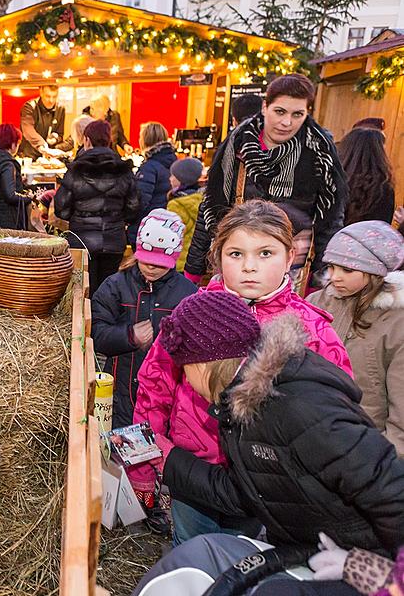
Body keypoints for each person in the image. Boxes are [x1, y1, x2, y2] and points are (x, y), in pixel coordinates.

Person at [131, 290, 404, 596]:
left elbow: (388, 485)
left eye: (186, 370)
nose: (189, 382)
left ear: (204, 365)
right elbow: (246, 492)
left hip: (364, 561)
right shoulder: (240, 405)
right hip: (310, 548)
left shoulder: (301, 408)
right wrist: (171, 461)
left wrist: (383, 571)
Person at [130, 200, 353, 545]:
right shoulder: (194, 315)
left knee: (247, 562)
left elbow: (333, 416)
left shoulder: (312, 330)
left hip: (266, 486)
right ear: (218, 256)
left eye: (265, 253)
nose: (249, 267)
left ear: (290, 255)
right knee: (191, 552)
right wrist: (144, 464)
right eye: (236, 254)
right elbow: (154, 385)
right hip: (193, 472)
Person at [185, 74, 348, 289]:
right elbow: (212, 206)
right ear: (265, 107)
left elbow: (330, 220)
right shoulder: (238, 144)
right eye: (279, 111)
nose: (286, 122)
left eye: (297, 114)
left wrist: (318, 282)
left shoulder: (319, 152)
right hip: (237, 260)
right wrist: (192, 272)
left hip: (289, 269)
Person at [91, 208, 197, 431]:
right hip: (120, 391)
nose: (150, 267)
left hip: (165, 396)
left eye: (159, 263)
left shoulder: (187, 294)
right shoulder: (116, 286)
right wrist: (129, 336)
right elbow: (96, 333)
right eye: (146, 260)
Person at [307, 221, 404, 456]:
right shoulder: (315, 304)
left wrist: (388, 458)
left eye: (347, 270)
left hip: (368, 442)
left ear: (375, 271)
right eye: (332, 267)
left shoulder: (396, 322)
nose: (335, 277)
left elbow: (401, 405)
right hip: (312, 433)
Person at [54, 120, 140, 292]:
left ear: (86, 141)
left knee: (83, 291)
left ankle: (87, 319)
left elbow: (61, 209)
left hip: (81, 241)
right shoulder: (123, 170)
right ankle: (104, 319)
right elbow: (134, 208)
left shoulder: (76, 170)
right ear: (108, 141)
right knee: (108, 291)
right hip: (114, 240)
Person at [130, 122, 177, 244]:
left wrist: (129, 219)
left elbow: (140, 201)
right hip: (167, 225)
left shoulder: (149, 167)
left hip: (147, 228)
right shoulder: (174, 162)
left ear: (145, 140)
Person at [338, 128, 395, 225]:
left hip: (330, 238)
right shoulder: (382, 188)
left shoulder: (330, 179)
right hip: (364, 238)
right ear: (378, 153)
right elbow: (381, 226)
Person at [166, 158, 204, 273]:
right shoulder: (203, 199)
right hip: (195, 262)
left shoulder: (176, 204)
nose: (170, 179)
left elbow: (170, 235)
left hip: (178, 261)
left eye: (173, 176)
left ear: (182, 179)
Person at [17, 85, 72, 159]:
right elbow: (28, 130)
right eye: (48, 96)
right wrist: (41, 144)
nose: (51, 100)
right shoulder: (29, 107)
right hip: (29, 156)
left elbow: (60, 134)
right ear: (41, 92)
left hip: (48, 157)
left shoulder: (60, 109)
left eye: (54, 96)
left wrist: (55, 139)